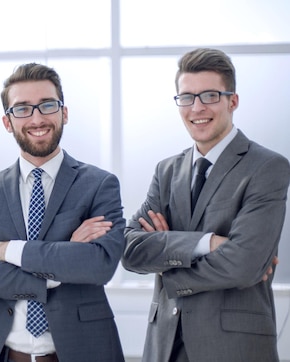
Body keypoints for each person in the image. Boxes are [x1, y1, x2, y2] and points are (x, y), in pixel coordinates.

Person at [121, 48, 290, 362]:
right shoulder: (166, 170)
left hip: (233, 348)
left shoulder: (267, 167)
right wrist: (206, 243)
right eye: (186, 97)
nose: (197, 108)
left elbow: (244, 265)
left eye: (210, 95)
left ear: (232, 101)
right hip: (164, 347)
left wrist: (166, 264)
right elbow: (130, 249)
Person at [0, 63, 126, 362]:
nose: (36, 118)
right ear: (7, 122)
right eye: (22, 108)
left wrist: (11, 250)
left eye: (47, 105)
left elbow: (99, 266)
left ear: (64, 112)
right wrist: (64, 259)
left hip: (82, 349)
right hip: (0, 352)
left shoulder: (99, 185)